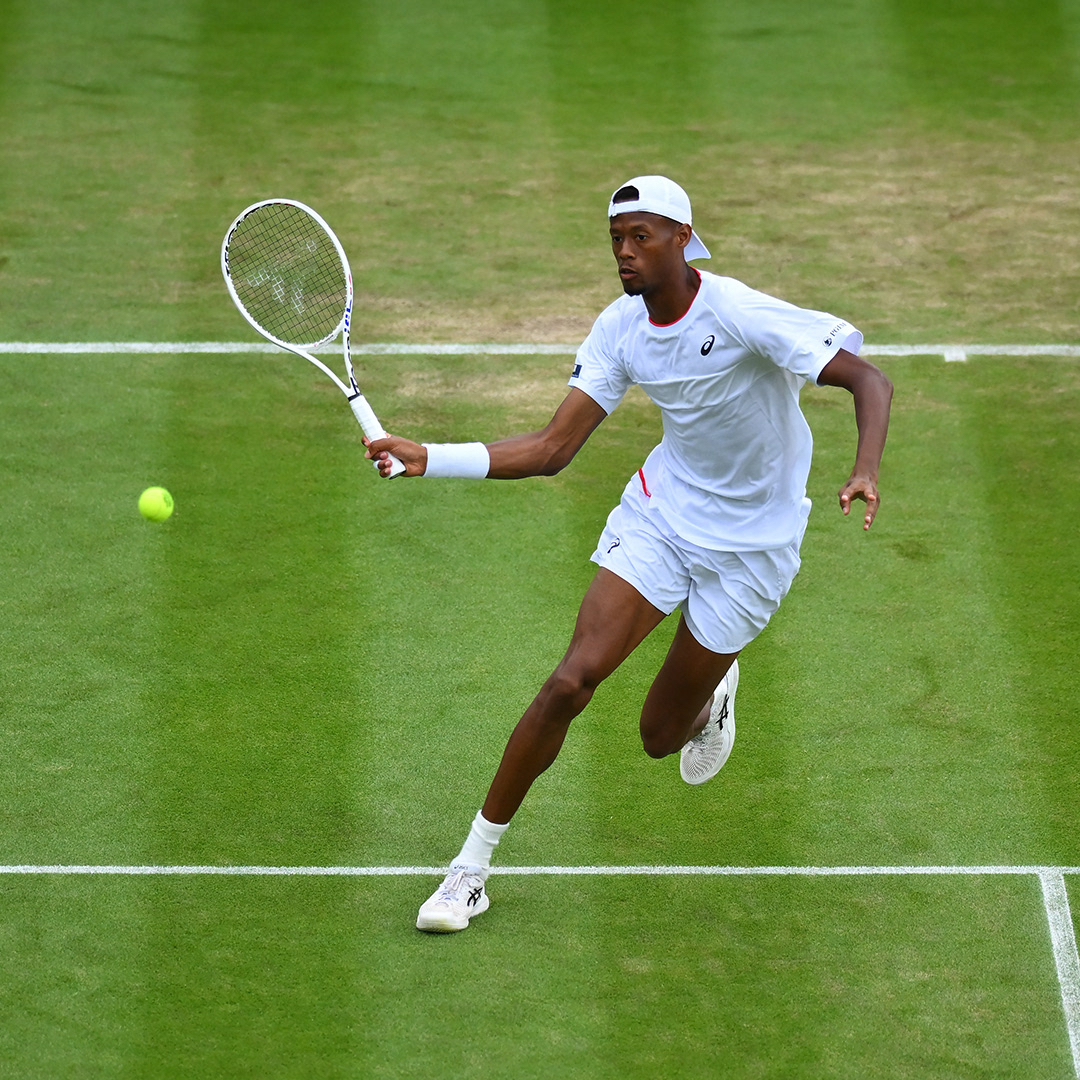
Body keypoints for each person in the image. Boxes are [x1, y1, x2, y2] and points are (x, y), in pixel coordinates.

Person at [365, 175, 893, 933]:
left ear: (682, 238)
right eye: (616, 238)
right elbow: (552, 449)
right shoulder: (619, 329)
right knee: (570, 682)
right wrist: (430, 458)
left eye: (640, 236)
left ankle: (710, 694)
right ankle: (469, 871)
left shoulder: (739, 311)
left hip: (754, 549)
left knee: (657, 738)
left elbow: (869, 379)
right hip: (664, 514)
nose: (624, 252)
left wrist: (865, 467)